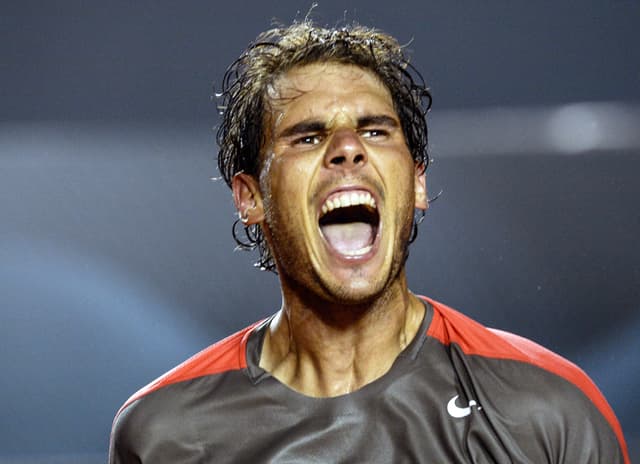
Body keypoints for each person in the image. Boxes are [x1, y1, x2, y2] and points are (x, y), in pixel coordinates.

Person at [109, 20, 630, 463]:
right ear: (251, 197)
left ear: (418, 183)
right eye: (308, 136)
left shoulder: (544, 409)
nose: (348, 149)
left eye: (376, 131)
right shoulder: (165, 434)